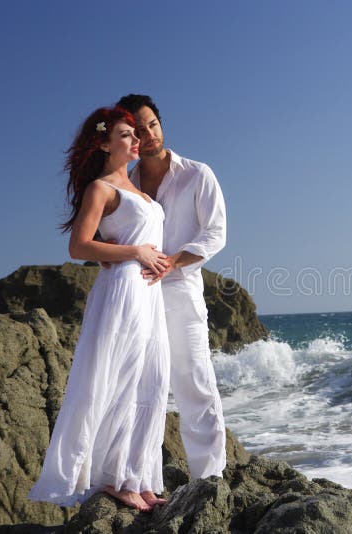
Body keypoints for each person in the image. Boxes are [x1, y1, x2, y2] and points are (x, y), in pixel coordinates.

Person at [28, 107, 171, 511]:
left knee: (153, 380)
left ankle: (141, 478)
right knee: (123, 380)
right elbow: (79, 246)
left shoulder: (140, 189)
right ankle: (115, 480)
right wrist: (136, 252)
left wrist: (157, 262)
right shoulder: (102, 189)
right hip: (124, 288)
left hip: (148, 292)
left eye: (135, 134)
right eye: (126, 135)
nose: (135, 140)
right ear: (105, 143)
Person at [116, 94, 228, 480]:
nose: (148, 135)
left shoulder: (197, 174)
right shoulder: (123, 183)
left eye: (153, 125)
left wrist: (172, 262)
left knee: (194, 380)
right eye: (138, 130)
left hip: (180, 290)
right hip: (137, 293)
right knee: (141, 386)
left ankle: (210, 479)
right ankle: (141, 479)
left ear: (161, 124)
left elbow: (216, 233)